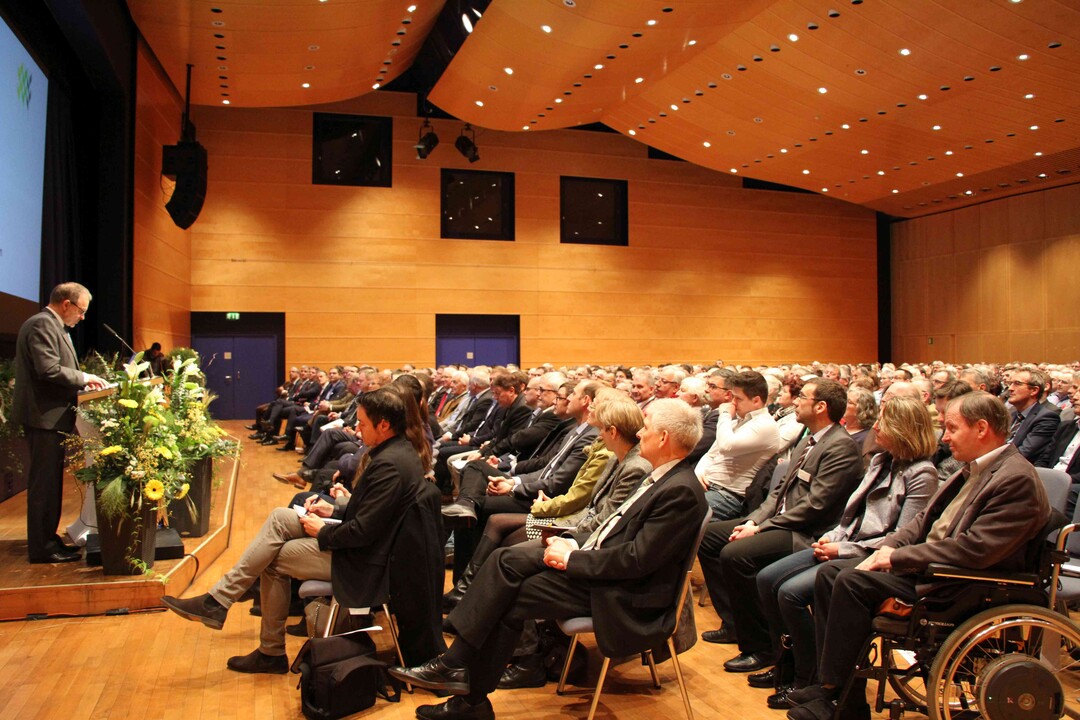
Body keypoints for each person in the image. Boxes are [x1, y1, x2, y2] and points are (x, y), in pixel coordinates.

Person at [387, 399, 707, 720]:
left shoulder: (679, 490)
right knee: (505, 561)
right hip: (603, 568)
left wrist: (572, 559)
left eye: (646, 427)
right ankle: (458, 677)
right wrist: (567, 541)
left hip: (624, 593)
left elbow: (637, 560)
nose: (639, 432)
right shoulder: (663, 477)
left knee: (507, 595)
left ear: (663, 438)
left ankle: (462, 684)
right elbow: (613, 531)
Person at [785, 391, 1050, 720]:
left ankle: (839, 696)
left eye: (952, 428)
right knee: (830, 574)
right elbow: (923, 523)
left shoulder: (1015, 479)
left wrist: (897, 559)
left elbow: (974, 548)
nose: (944, 437)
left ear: (981, 428)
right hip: (933, 567)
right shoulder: (973, 468)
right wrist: (888, 549)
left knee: (851, 582)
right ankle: (836, 689)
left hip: (961, 583)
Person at [160, 387, 428, 673]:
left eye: (362, 424)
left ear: (384, 424)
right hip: (365, 546)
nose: (358, 429)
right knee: (280, 517)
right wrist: (336, 509)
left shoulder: (390, 465)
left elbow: (364, 532)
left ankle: (269, 650)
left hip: (366, 562)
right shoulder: (395, 452)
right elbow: (373, 515)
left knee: (272, 559)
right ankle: (218, 601)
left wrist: (321, 531)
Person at [754, 397, 938, 707]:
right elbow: (851, 516)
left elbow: (900, 537)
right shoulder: (881, 460)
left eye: (885, 422)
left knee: (790, 594)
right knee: (766, 578)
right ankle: (784, 667)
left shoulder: (922, 474)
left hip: (868, 555)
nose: (875, 426)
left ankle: (808, 675)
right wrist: (832, 538)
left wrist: (843, 549)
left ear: (905, 430)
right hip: (844, 545)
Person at [12, 282, 108, 563]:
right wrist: (84, 378)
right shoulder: (41, 325)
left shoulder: (54, 326)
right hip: (43, 418)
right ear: (66, 304)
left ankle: (49, 540)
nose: (82, 317)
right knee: (44, 485)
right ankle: (42, 548)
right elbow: (48, 369)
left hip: (51, 417)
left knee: (51, 483)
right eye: (81, 311)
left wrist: (82, 383)